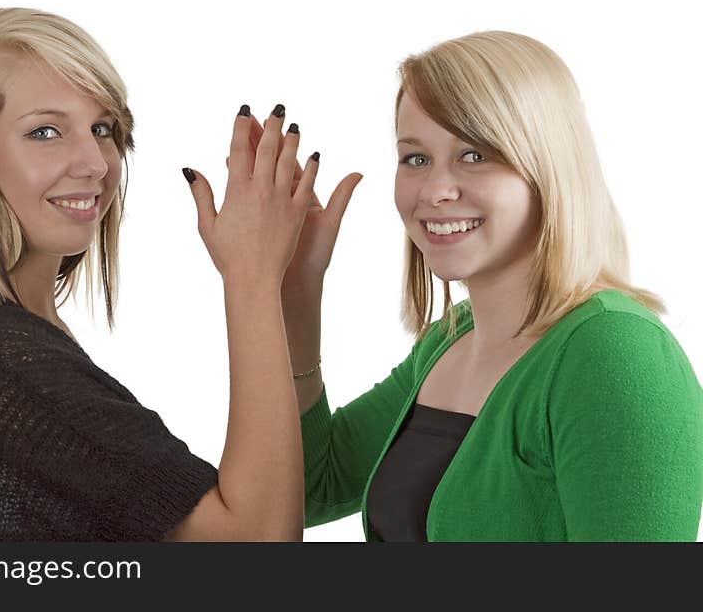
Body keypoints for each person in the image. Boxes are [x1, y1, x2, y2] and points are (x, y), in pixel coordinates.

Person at [0, 7, 326, 541]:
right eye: (45, 131)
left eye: (103, 128)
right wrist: (251, 278)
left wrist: (288, 290)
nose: (94, 161)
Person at [285, 31, 703, 541]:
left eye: (475, 155)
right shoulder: (450, 340)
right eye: (416, 158)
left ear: (547, 166)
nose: (436, 191)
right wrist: (298, 290)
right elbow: (305, 490)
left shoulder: (613, 352)